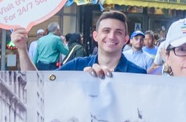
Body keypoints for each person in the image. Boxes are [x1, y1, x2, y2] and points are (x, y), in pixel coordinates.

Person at [11, 11, 147, 76]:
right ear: (96, 36)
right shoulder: (77, 66)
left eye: (118, 32)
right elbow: (39, 84)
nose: (111, 36)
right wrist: (22, 49)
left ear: (125, 39)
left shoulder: (139, 74)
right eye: (106, 30)